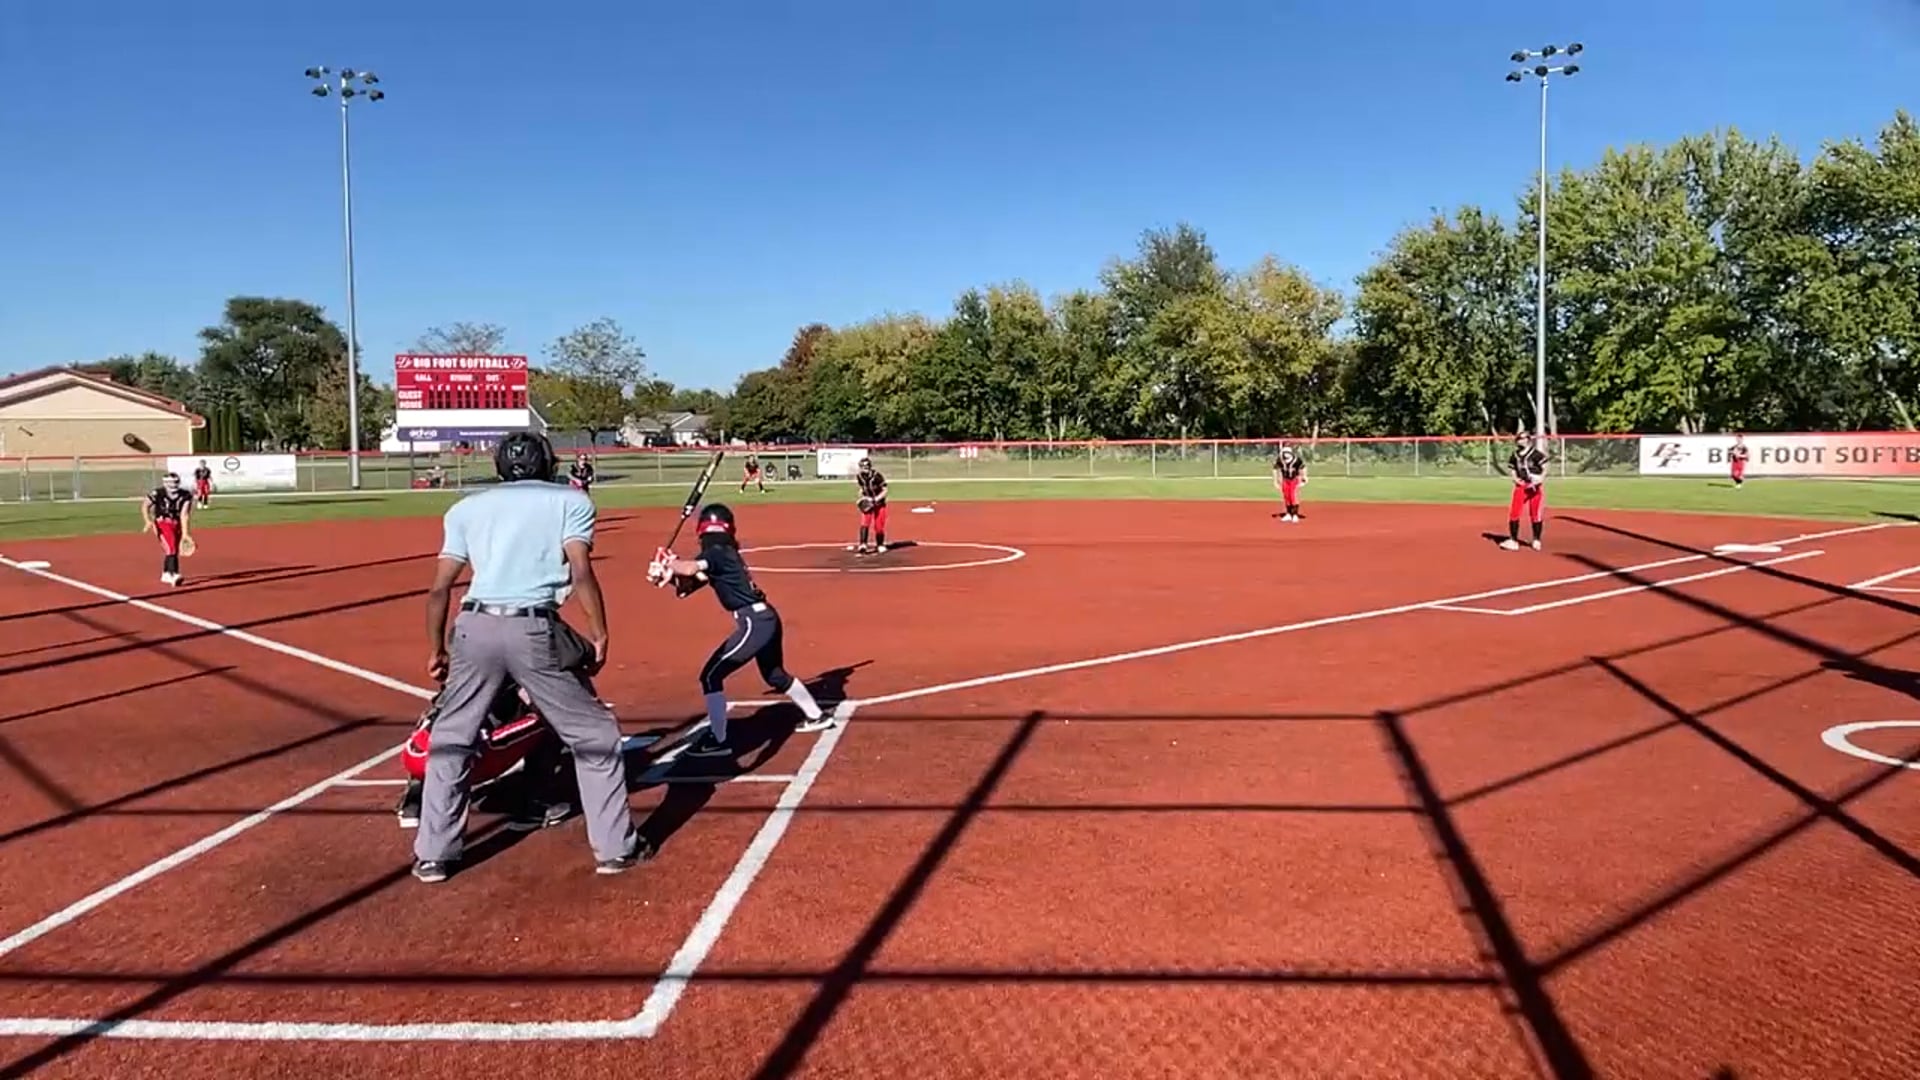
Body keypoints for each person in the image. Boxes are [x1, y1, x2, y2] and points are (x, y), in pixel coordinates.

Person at [413, 431, 644, 884]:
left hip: (473, 627)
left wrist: (437, 648)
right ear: (548, 463)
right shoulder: (571, 502)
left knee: (453, 737)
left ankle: (433, 855)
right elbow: (581, 571)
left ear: (500, 465)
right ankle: (616, 848)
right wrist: (599, 633)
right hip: (533, 628)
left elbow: (440, 589)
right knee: (595, 733)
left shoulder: (465, 509)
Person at [648, 503, 830, 758]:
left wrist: (670, 563)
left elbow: (689, 569)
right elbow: (686, 586)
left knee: (711, 676)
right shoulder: (721, 554)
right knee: (775, 675)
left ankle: (719, 739)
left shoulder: (717, 553)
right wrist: (666, 576)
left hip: (755, 622)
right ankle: (816, 716)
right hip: (765, 618)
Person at [394, 678, 570, 833]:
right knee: (547, 720)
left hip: (416, 755)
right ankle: (537, 804)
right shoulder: (517, 671)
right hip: (472, 763)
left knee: (432, 716)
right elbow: (500, 738)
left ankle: (413, 800)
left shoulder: (463, 668)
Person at [141, 473, 195, 586]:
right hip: (162, 523)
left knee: (174, 549)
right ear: (165, 483)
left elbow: (184, 515)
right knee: (171, 548)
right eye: (170, 482)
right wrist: (147, 520)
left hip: (177, 523)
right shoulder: (158, 493)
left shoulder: (185, 495)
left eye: (175, 482)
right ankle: (173, 574)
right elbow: (145, 505)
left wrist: (185, 533)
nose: (173, 485)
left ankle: (166, 573)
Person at [1501, 433, 1549, 551]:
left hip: (1534, 486)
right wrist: (1515, 479)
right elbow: (1513, 468)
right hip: (1521, 486)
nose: (1519, 441)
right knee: (1514, 512)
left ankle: (1536, 540)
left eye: (1522, 438)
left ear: (1528, 440)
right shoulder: (1515, 455)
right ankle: (1513, 540)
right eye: (1518, 439)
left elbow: (1545, 466)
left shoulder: (1536, 454)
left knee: (1535, 513)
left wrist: (1541, 478)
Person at [853, 456, 889, 555]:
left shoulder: (877, 476)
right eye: (863, 466)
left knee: (879, 525)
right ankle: (863, 544)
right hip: (868, 503)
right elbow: (862, 489)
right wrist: (861, 498)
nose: (866, 468)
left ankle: (880, 544)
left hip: (879, 503)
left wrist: (876, 499)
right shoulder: (859, 477)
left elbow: (885, 490)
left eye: (867, 466)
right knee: (865, 523)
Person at [1273, 445, 1308, 523]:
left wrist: (1304, 477)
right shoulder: (1281, 460)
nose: (1286, 455)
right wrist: (1275, 481)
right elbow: (1275, 469)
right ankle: (1288, 513)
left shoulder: (1296, 460)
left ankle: (1295, 514)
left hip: (1294, 480)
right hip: (1285, 480)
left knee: (1293, 497)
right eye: (1284, 453)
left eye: (1287, 453)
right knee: (1287, 497)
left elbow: (1303, 467)